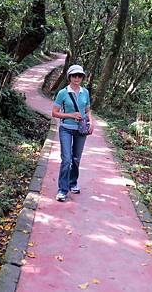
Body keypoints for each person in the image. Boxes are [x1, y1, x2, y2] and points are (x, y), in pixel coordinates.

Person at [51, 64, 93, 202]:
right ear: (69, 77)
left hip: (81, 130)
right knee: (66, 159)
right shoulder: (63, 93)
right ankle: (62, 190)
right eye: (74, 75)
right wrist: (70, 115)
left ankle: (73, 182)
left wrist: (91, 122)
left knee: (76, 159)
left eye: (79, 75)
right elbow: (54, 113)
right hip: (66, 129)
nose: (77, 78)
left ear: (82, 77)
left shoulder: (85, 92)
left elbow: (87, 110)